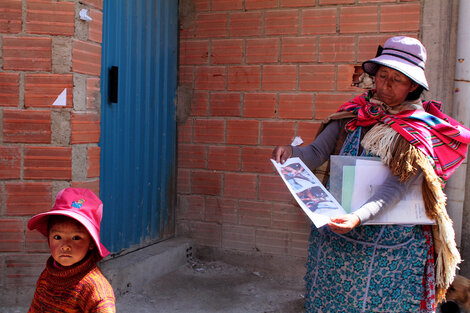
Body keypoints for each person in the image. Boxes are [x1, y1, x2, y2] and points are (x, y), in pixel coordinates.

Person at [272, 36, 470, 312]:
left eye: (397, 80)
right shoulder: (355, 114)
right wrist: (291, 153)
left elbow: (394, 189)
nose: (385, 85)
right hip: (337, 232)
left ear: (412, 86)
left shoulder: (414, 132)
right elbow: (317, 152)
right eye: (382, 75)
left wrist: (357, 217)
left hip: (388, 246)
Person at [27, 188, 116, 312]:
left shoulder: (95, 289)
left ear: (91, 243)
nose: (65, 246)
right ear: (49, 240)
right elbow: (35, 309)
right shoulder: (46, 276)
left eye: (76, 238)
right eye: (58, 237)